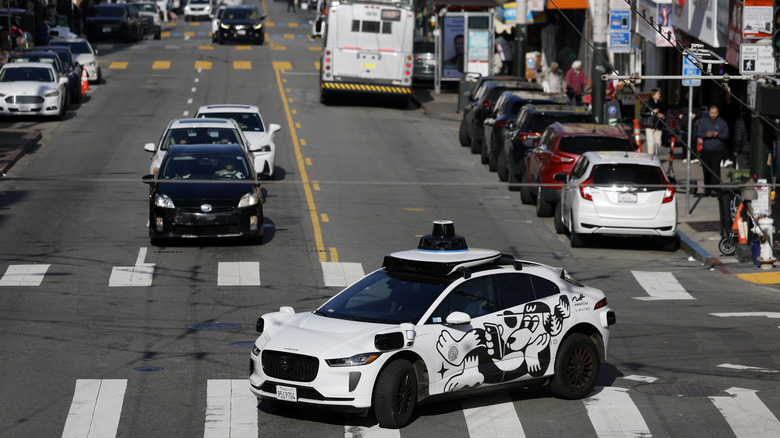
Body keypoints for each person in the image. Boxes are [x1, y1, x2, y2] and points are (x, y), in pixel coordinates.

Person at [696, 105, 730, 196]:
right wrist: (706, 135)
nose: (713, 115)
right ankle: (707, 189)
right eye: (711, 113)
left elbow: (726, 135)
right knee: (706, 170)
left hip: (717, 149)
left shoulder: (722, 123)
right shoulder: (703, 122)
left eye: (715, 113)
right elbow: (698, 133)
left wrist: (718, 135)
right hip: (705, 149)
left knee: (715, 169)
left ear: (718, 113)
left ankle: (715, 189)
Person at [640, 89, 666, 155]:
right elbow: (642, 112)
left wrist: (662, 115)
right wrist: (652, 112)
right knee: (650, 143)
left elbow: (665, 112)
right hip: (650, 125)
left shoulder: (661, 104)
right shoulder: (648, 103)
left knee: (658, 142)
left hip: (658, 126)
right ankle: (650, 157)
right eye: (658, 94)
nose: (659, 95)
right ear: (653, 95)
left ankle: (656, 156)